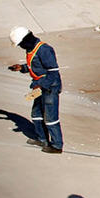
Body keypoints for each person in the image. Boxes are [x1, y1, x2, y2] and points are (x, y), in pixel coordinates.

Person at [7, 26, 64, 154]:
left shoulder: (44, 49)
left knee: (50, 118)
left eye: (20, 44)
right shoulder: (31, 49)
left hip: (50, 87)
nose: (21, 47)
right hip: (39, 86)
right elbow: (36, 65)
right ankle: (42, 139)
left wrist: (42, 85)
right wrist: (22, 68)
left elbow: (53, 72)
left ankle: (57, 145)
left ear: (26, 40)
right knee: (36, 115)